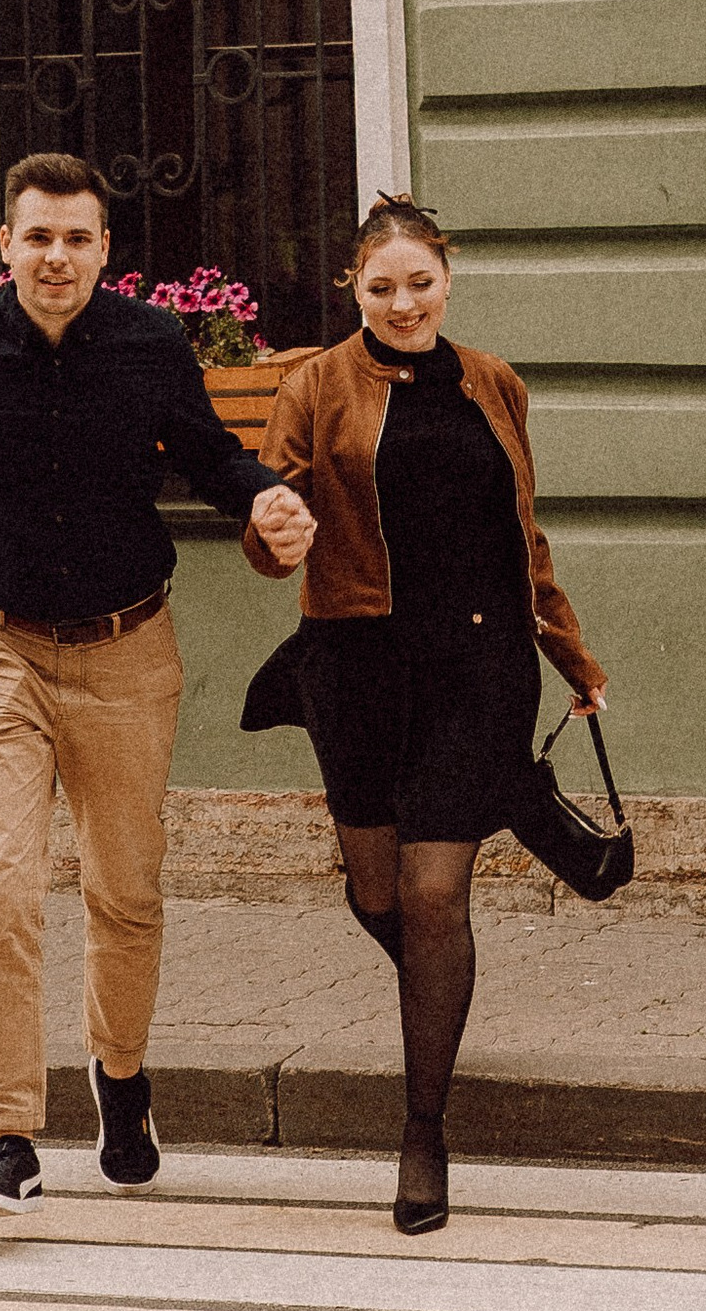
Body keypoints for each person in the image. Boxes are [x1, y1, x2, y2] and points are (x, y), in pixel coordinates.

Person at [0, 150, 316, 1215]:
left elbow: (209, 453)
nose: (55, 256)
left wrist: (262, 497)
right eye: (37, 236)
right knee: (0, 887)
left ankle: (119, 1078)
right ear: (7, 245)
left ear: (105, 250)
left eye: (76, 238)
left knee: (124, 894)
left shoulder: (149, 343)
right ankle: (10, 1138)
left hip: (126, 653)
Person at [241, 194, 606, 1234]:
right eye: (381, 288)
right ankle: (436, 997)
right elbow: (275, 509)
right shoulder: (315, 383)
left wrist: (570, 652)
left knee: (433, 892)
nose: (404, 303)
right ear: (353, 292)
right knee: (375, 887)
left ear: (446, 280)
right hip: (358, 661)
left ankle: (422, 1132)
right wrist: (277, 534)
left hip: (479, 660)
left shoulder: (494, 384)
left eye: (420, 283)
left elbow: (523, 538)